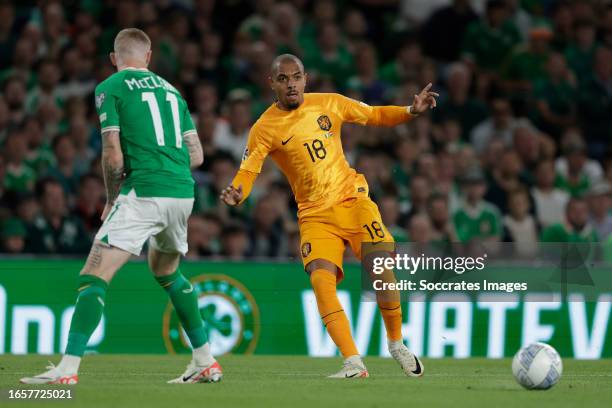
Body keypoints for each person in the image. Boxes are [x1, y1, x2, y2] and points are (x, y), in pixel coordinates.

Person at [21, 28, 221, 385]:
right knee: (167, 272)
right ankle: (205, 360)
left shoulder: (109, 88)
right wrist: (164, 164)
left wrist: (113, 197)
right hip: (182, 195)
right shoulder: (173, 92)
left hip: (142, 193)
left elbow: (112, 152)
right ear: (148, 58)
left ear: (114, 59)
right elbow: (197, 155)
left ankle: (67, 370)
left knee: (92, 277)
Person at [220, 54, 438, 379]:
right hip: (314, 216)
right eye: (283, 78)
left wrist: (409, 111)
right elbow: (248, 171)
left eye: (296, 77)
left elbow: (374, 115)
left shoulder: (330, 103)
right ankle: (353, 361)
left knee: (381, 268)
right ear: (272, 83)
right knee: (321, 282)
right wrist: (238, 191)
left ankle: (396, 343)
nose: (291, 83)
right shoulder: (264, 127)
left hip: (353, 200)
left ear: (305, 79)